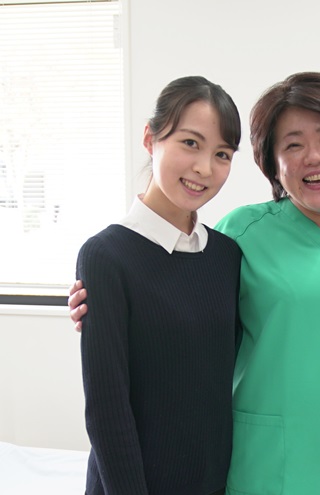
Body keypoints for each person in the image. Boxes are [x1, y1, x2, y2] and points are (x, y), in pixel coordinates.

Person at [70, 72, 320, 495]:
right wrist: (99, 303)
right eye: (293, 145)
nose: (314, 157)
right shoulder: (240, 236)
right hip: (264, 463)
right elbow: (174, 302)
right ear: (271, 162)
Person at [75, 76, 242, 495]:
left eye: (222, 154)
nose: (204, 168)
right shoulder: (106, 256)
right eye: (190, 143)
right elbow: (106, 411)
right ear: (151, 139)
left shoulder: (227, 256)